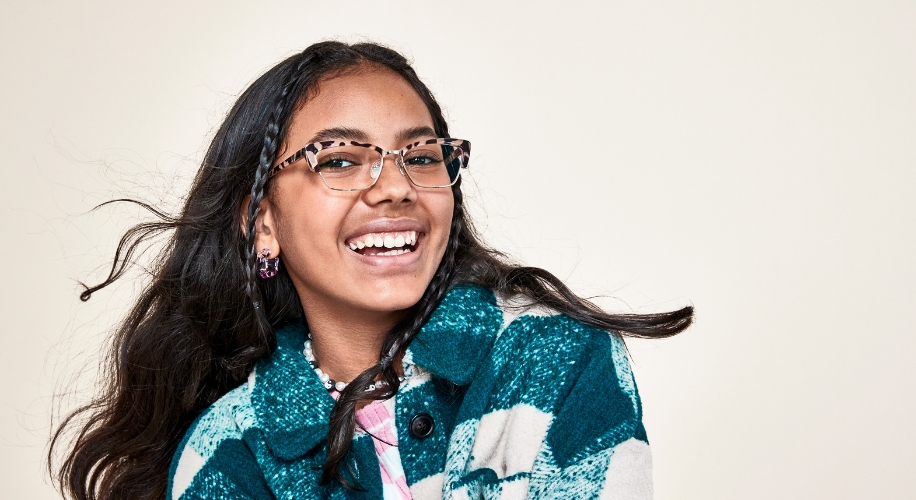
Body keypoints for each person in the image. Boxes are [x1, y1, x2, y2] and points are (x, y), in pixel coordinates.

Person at [50, 41, 692, 500]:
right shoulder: (230, 452)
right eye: (337, 159)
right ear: (263, 222)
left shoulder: (554, 358)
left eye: (421, 154)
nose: (394, 187)